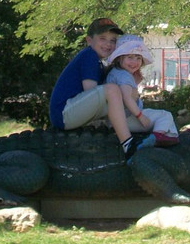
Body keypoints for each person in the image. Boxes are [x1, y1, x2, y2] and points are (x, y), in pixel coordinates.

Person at [48, 18, 135, 154]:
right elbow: (91, 91)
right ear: (89, 40)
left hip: (73, 111)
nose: (108, 44)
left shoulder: (99, 63)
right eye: (102, 38)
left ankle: (141, 127)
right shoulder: (89, 56)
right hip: (63, 113)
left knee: (124, 96)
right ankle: (127, 143)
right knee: (112, 89)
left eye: (113, 40)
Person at [104, 34, 180, 148]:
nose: (134, 62)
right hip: (126, 119)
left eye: (138, 58)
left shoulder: (116, 72)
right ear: (119, 58)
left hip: (117, 119)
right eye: (130, 57)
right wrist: (140, 116)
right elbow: (126, 97)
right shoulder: (124, 76)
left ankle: (171, 135)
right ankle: (156, 137)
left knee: (163, 117)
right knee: (165, 115)